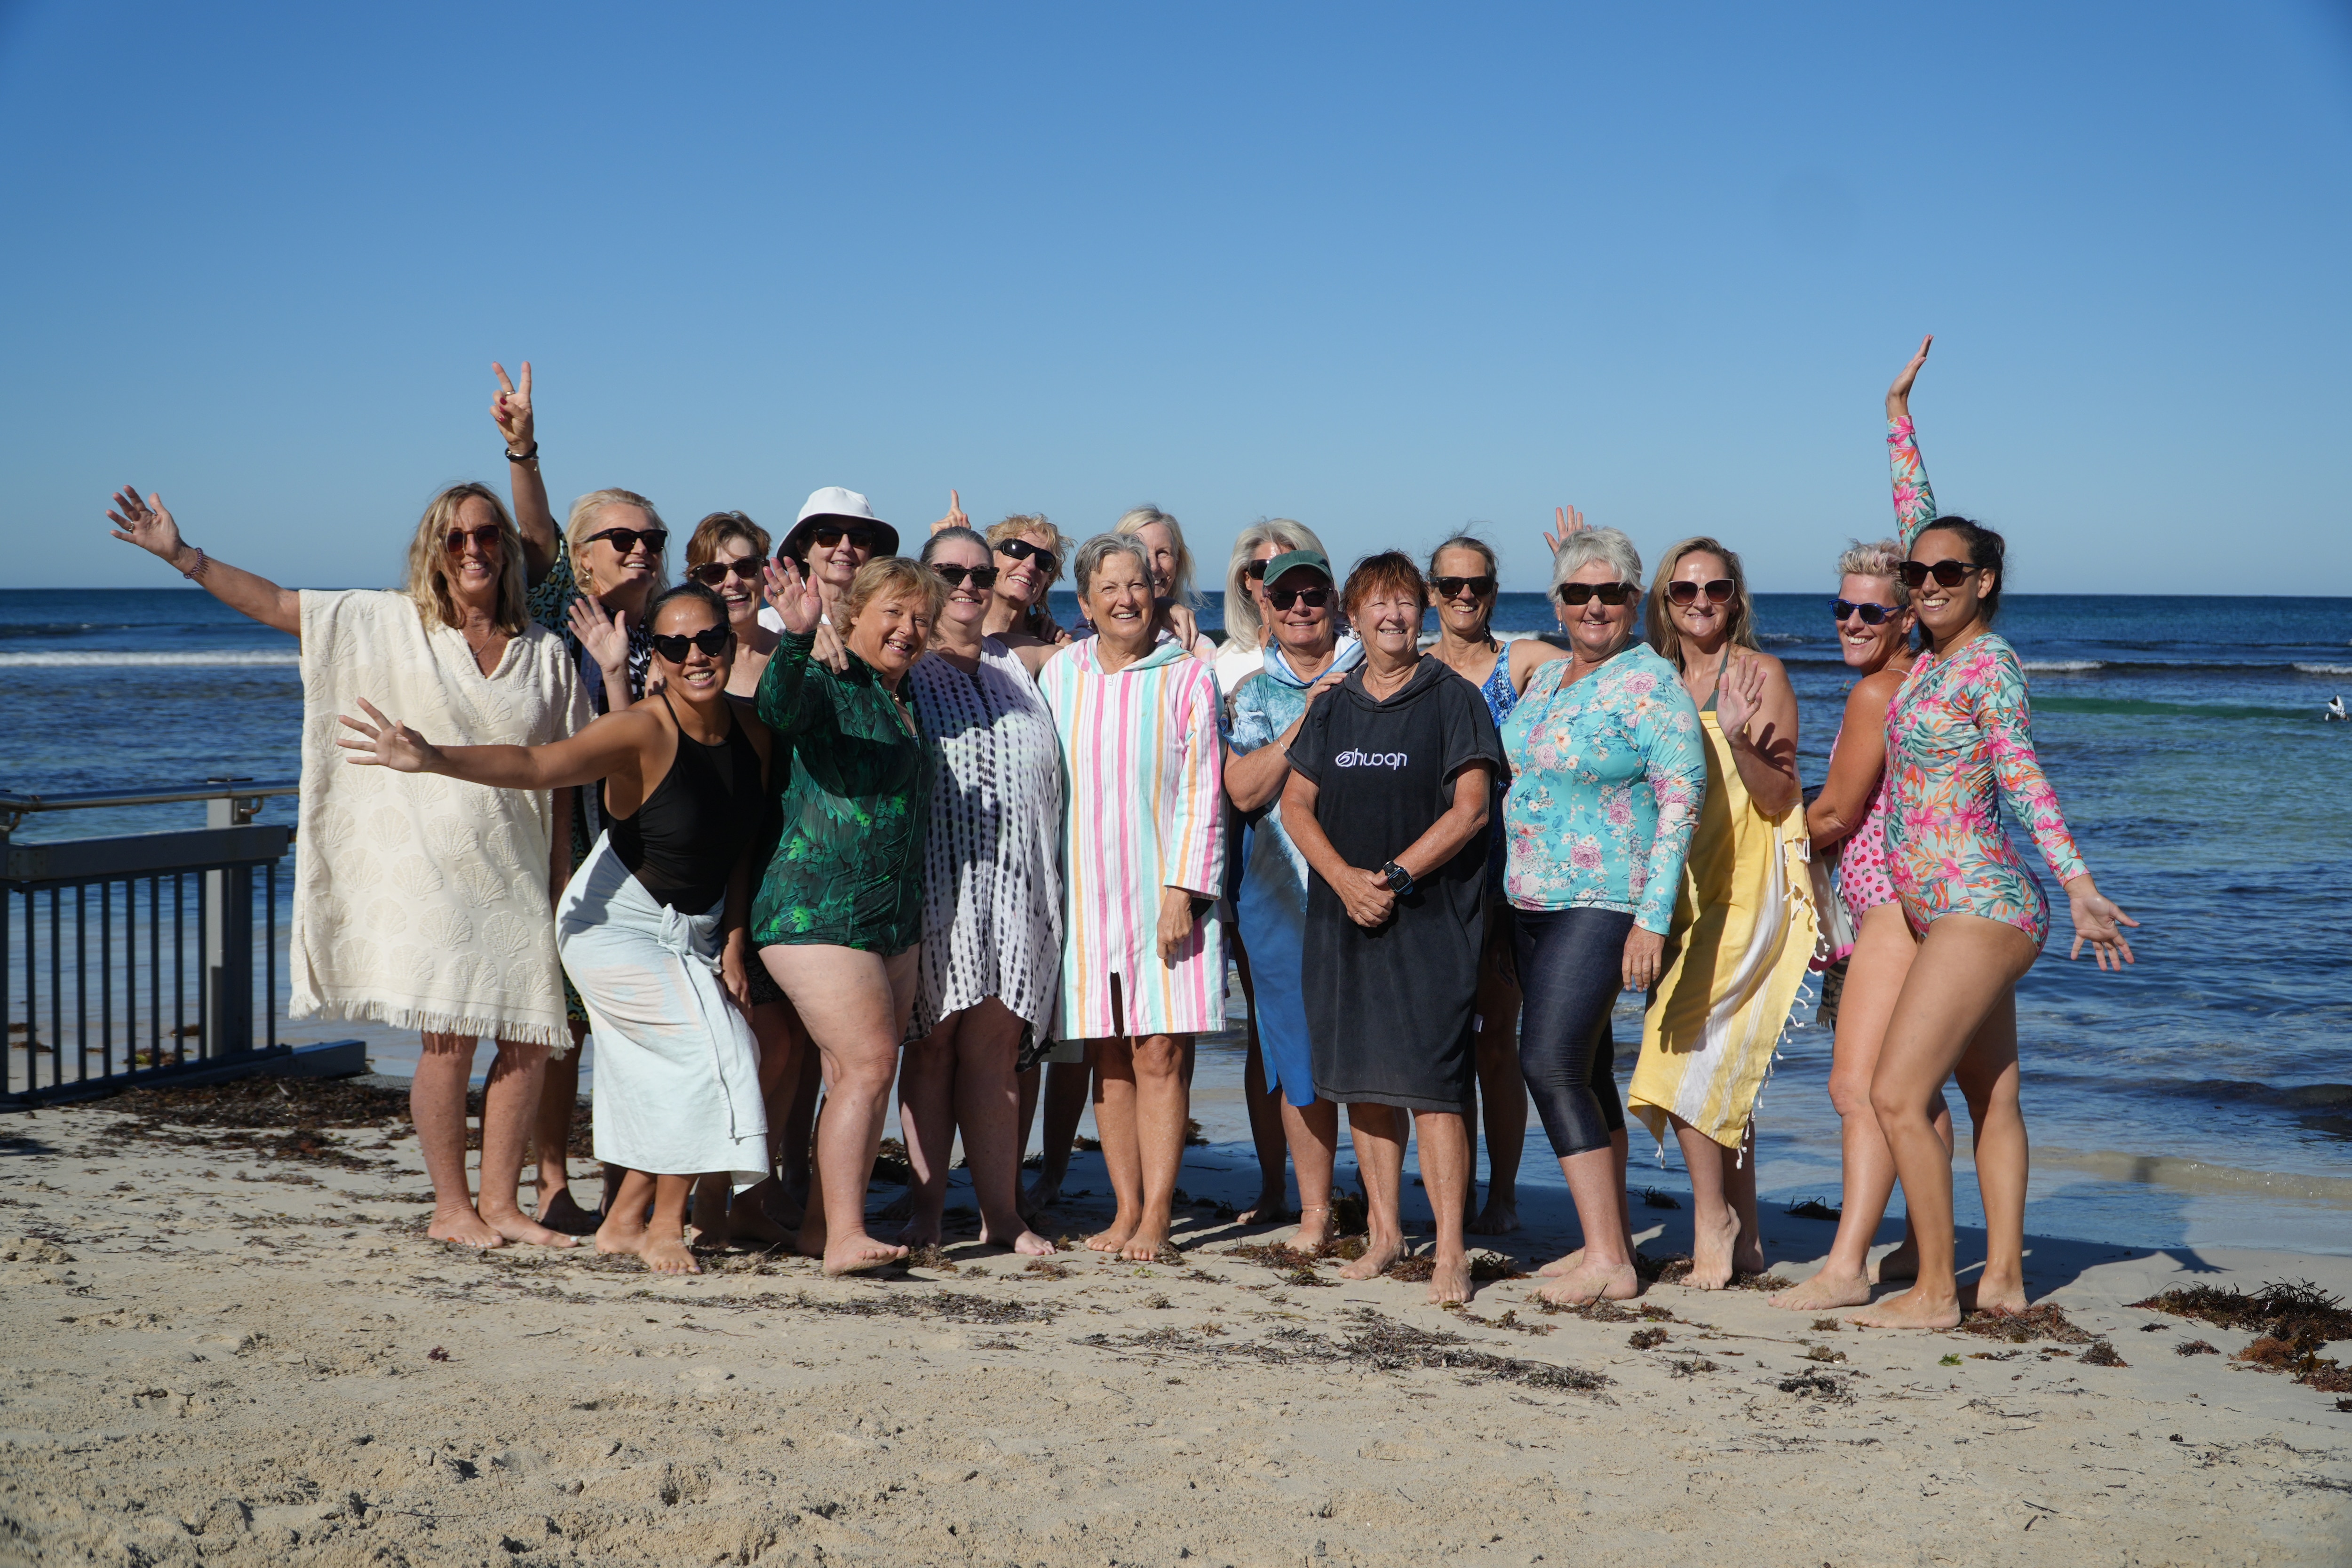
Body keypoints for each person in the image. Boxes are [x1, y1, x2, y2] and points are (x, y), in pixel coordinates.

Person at [106, 482, 588, 1250]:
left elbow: (561, 775)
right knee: (450, 1038)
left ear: (505, 546)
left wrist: (562, 873)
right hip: (431, 876)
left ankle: (502, 1204)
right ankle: (451, 1207)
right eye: (456, 537)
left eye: (487, 534)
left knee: (532, 1034)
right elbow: (278, 605)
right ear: (433, 550)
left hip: (518, 871)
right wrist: (184, 556)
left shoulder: (545, 654)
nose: (473, 549)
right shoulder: (391, 624)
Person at [336, 582, 775, 1274]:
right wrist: (433, 757)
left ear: (731, 641)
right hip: (614, 925)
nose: (696, 656)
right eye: (674, 644)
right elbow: (536, 764)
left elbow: (745, 842)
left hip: (693, 928)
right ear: (653, 659)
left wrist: (736, 935)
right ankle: (666, 1226)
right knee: (716, 1050)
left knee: (674, 1066)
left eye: (710, 640)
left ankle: (625, 1219)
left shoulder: (755, 730)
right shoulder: (641, 729)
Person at [1853, 337, 2137, 1329]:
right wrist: (1895, 414)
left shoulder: (1988, 668)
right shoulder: (1930, 652)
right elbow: (1918, 518)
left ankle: (1936, 1291)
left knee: (1896, 1094)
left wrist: (2078, 883)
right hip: (1944, 908)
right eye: (1915, 571)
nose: (1922, 582)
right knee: (1992, 1102)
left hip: (1981, 903)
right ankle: (2005, 1280)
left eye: (1945, 573)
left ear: (1984, 583)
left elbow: (2025, 781)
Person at [1282, 551, 1502, 1305]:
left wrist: (1395, 876)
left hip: (1430, 923)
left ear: (1424, 611)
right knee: (1365, 1084)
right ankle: (1384, 1234)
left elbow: (1470, 810)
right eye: (1377, 604)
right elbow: (1295, 806)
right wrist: (1346, 880)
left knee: (1435, 1087)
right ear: (1354, 615)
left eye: (1406, 603)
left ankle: (1450, 1252)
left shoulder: (1452, 698)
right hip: (1343, 920)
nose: (1393, 616)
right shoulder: (1335, 705)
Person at [1499, 528, 1707, 1302]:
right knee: (1583, 1066)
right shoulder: (1548, 677)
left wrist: (1652, 919)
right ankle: (1606, 1241)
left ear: (1634, 601)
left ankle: (1612, 1265)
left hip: (1606, 899)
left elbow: (1684, 799)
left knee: (1547, 1060)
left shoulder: (1651, 685)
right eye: (1578, 592)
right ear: (1557, 602)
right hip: (1528, 898)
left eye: (1611, 592)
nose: (1594, 606)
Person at [490, 363, 670, 1234]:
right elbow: (532, 528)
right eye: (623, 539)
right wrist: (523, 447)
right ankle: (554, 1180)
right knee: (560, 1024)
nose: (642, 550)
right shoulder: (558, 607)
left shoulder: (676, 626)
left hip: (645, 849)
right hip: (560, 841)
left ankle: (629, 1183)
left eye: (653, 538)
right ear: (583, 554)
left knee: (631, 1025)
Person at [1769, 518, 1955, 1312]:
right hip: (1928, 911)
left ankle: (1847, 1265)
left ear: (1906, 616)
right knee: (1915, 1094)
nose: (1851, 622)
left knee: (1858, 1089)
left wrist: (1772, 836)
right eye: (1841, 609)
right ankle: (1921, 1241)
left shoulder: (1879, 689)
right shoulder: (1929, 677)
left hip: (1889, 915)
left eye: (1870, 612)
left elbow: (1839, 811)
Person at [1627, 535, 1816, 1289]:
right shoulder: (1655, 678)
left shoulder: (1759, 672)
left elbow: (1778, 798)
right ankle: (1750, 1239)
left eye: (1716, 589)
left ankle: (1715, 1223)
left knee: (1677, 1052)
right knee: (1718, 1059)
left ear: (1737, 596)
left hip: (1748, 885)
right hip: (1678, 888)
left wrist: (1737, 733)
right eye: (1684, 591)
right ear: (1665, 602)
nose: (1700, 602)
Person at [1036, 533, 1227, 1261]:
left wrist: (1186, 891)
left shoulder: (1186, 677)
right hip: (1085, 895)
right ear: (1084, 604)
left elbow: (1206, 794)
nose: (1125, 598)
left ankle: (1156, 1217)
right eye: (1108, 587)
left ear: (1158, 593)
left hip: (1163, 894)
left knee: (1160, 1054)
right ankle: (1122, 1210)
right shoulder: (1061, 675)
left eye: (1138, 584)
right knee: (1109, 1058)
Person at [753, 552, 943, 1276]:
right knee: (868, 1066)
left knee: (856, 1073)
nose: (908, 627)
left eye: (920, 617)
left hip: (888, 919)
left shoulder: (906, 695)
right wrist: (800, 636)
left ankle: (819, 1227)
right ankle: (845, 1238)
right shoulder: (831, 679)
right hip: (817, 907)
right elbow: (779, 706)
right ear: (852, 614)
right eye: (892, 612)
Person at [895, 526, 1060, 1258]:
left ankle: (1003, 1212)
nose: (968, 584)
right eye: (949, 571)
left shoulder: (1019, 663)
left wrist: (1183, 618)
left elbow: (1121, 653)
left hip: (1018, 884)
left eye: (980, 573)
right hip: (936, 885)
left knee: (998, 1049)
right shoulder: (901, 662)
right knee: (931, 1047)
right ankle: (928, 1209)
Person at [1423, 532, 1572, 1236]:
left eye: (1476, 586)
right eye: (1450, 585)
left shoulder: (1523, 663)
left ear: (1493, 591)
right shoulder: (1411, 667)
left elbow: (1600, 661)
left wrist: (1575, 570)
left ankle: (1504, 1195)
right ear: (1431, 591)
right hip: (1432, 878)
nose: (1463, 597)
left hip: (1506, 876)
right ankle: (1439, 1194)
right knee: (1436, 1042)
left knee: (1496, 1042)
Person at [1223, 549, 1359, 1244]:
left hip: (1369, 892)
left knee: (1372, 1051)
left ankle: (1380, 1206)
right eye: (1286, 599)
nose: (1301, 608)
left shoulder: (1379, 672)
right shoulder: (1253, 694)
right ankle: (1313, 1210)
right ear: (1267, 611)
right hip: (1279, 898)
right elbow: (1245, 790)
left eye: (1314, 595)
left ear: (1335, 601)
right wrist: (1308, 716)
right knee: (1293, 1054)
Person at [680, 510, 803, 1247]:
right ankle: (699, 1203)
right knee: (727, 1047)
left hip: (785, 868)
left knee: (782, 1045)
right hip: (712, 874)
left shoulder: (791, 646)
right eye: (713, 571)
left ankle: (751, 1196)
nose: (732, 581)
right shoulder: (692, 657)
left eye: (745, 566)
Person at [1113, 505, 1218, 661]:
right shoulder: (1090, 640)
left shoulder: (1198, 650)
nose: (1154, 566)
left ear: (1178, 562)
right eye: (1141, 552)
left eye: (1163, 553)